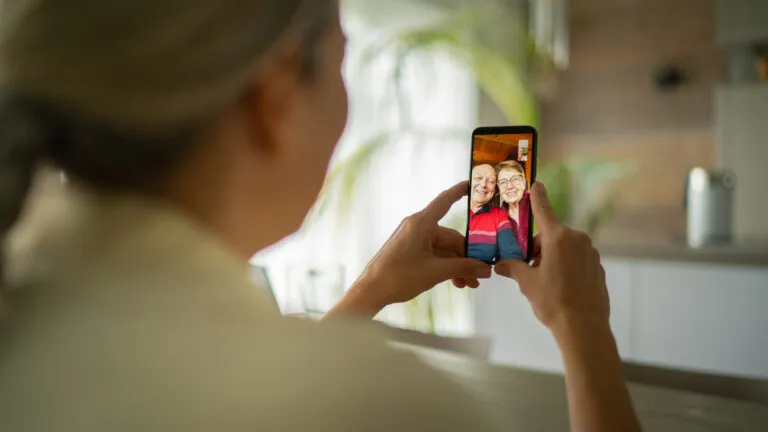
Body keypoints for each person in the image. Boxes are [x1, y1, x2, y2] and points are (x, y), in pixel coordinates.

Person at [0, 1, 641, 431]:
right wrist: (581, 325)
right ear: (274, 95)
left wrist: (368, 293)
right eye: (341, 61)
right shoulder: (379, 405)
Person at [467, 164, 525, 264]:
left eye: (491, 181)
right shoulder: (451, 208)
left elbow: (511, 253)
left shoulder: (498, 215)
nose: (484, 184)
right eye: (478, 178)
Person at [496, 160, 532, 257]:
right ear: (499, 187)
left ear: (524, 181)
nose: (509, 186)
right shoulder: (498, 219)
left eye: (515, 179)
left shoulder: (536, 203)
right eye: (503, 182)